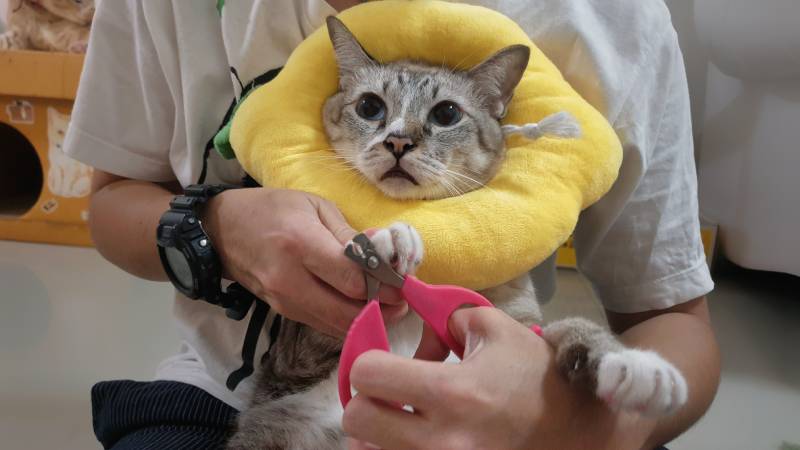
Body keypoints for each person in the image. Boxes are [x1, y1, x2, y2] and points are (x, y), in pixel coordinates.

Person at [65, 0, 720, 449]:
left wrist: (582, 428)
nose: (401, 141)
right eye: (374, 108)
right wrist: (219, 228)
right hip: (236, 396)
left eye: (437, 119)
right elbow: (113, 198)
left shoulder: (614, 23)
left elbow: (677, 322)